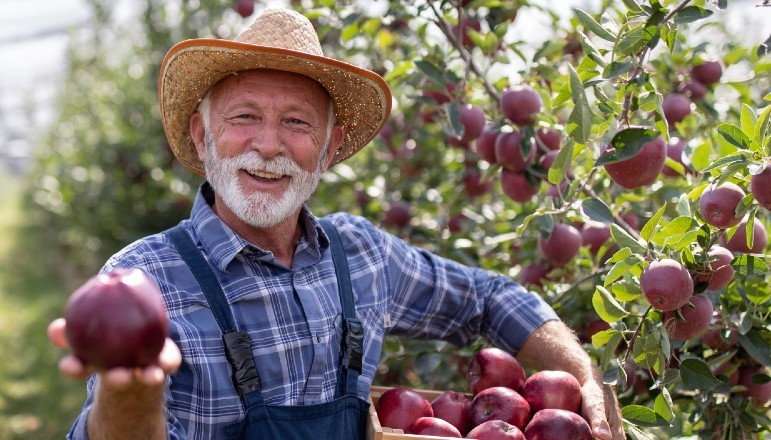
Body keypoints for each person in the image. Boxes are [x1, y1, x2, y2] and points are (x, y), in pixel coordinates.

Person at [47, 8, 625, 440]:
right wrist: (131, 394)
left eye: (297, 123)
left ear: (329, 149)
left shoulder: (362, 256)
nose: (269, 145)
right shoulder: (146, 281)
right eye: (244, 117)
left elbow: (489, 298)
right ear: (203, 137)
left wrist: (582, 379)